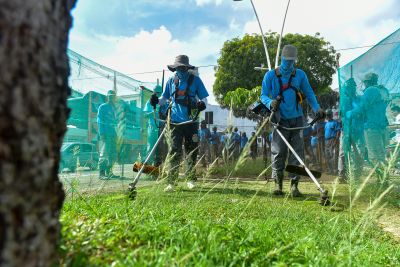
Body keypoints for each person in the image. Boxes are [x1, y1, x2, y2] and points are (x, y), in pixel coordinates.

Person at [260, 44, 325, 197]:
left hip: (297, 119)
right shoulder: (270, 76)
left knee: (297, 153)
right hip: (279, 119)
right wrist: (270, 103)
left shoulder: (300, 75)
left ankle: (294, 186)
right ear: (282, 58)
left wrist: (317, 108)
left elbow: (309, 93)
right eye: (287, 60)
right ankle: (278, 184)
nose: (289, 63)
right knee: (279, 152)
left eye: (292, 60)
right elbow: (263, 96)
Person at [150, 55, 208, 192]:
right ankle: (171, 182)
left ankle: (191, 179)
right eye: (178, 68)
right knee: (174, 150)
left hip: (191, 121)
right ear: (174, 68)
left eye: (183, 67)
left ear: (187, 68)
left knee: (191, 150)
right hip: (175, 122)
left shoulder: (196, 80)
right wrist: (155, 101)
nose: (180, 70)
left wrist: (201, 104)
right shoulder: (171, 80)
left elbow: (204, 98)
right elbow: (164, 98)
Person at [348, 73, 388, 181]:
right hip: (383, 126)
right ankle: (383, 178)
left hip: (372, 127)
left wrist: (349, 113)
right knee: (381, 154)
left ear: (368, 82)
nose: (364, 84)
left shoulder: (370, 91)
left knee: (374, 155)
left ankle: (382, 180)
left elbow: (362, 108)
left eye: (364, 82)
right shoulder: (383, 90)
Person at [97, 90, 120, 179]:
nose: (111, 98)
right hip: (105, 134)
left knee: (113, 154)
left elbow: (117, 122)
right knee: (104, 153)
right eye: (110, 96)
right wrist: (101, 133)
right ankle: (101, 174)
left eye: (113, 96)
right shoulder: (102, 107)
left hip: (114, 134)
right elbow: (99, 121)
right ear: (107, 97)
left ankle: (109, 172)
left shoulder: (115, 108)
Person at [143, 85, 163, 166]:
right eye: (155, 92)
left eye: (159, 93)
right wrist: (154, 112)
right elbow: (145, 115)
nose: (157, 94)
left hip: (162, 128)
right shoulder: (149, 102)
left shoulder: (164, 101)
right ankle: (148, 166)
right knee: (151, 147)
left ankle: (157, 167)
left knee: (160, 149)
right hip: (152, 128)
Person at [324, 109, 341, 174]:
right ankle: (330, 170)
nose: (327, 116)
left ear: (331, 115)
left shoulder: (335, 122)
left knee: (334, 156)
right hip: (326, 141)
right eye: (326, 115)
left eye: (328, 115)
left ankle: (335, 170)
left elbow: (338, 132)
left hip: (333, 140)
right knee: (327, 155)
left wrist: (335, 141)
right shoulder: (326, 124)